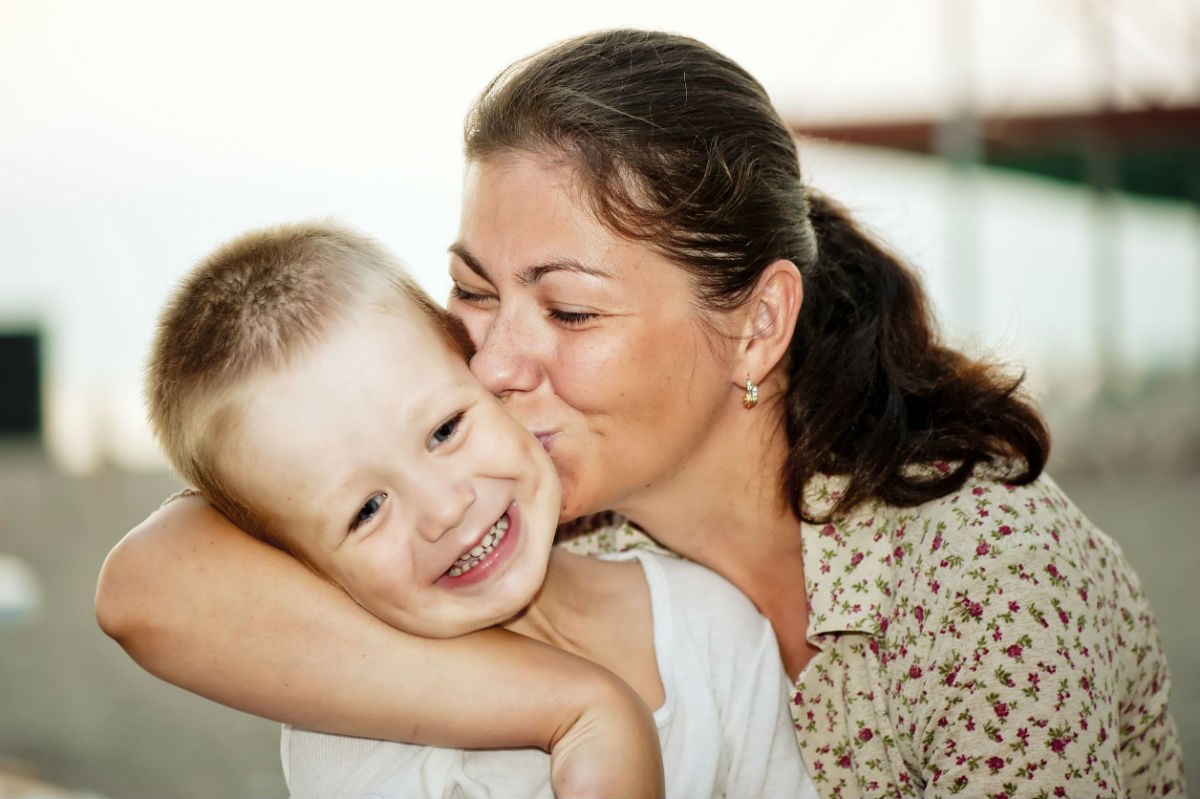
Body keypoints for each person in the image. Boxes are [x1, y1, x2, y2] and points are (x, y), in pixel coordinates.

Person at [97, 28, 1186, 799]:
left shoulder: (986, 575)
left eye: (567, 307)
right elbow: (150, 584)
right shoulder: (520, 514)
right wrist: (574, 703)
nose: (499, 358)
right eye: (474, 289)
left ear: (757, 327)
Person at [141, 220, 816, 799]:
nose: (443, 506)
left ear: (488, 375)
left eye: (444, 430)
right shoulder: (352, 737)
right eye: (366, 509)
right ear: (302, 566)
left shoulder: (713, 625)